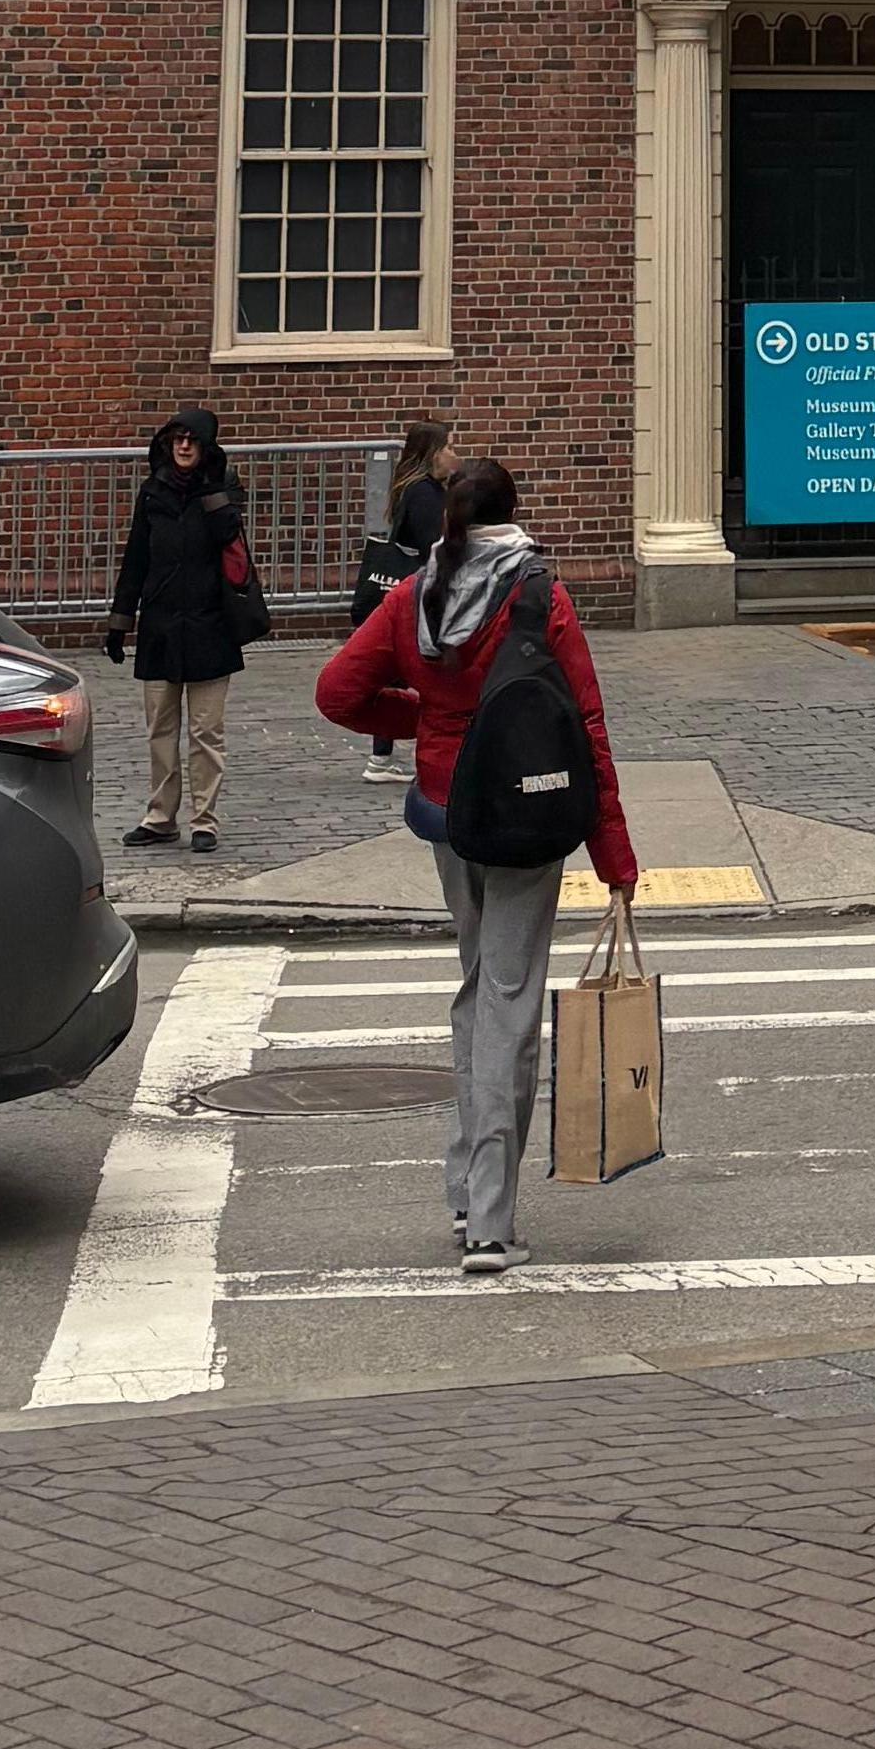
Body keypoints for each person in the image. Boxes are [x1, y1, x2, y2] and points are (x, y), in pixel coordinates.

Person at [314, 457, 638, 1278]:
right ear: (514, 512)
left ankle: (465, 1189)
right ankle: (491, 1220)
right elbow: (585, 725)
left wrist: (421, 717)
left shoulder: (413, 594)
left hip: (446, 815)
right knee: (509, 1002)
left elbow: (337, 693)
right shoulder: (539, 595)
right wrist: (614, 855)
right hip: (527, 814)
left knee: (474, 986)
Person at [106, 407, 262, 853]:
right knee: (160, 727)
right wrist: (121, 620)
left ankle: (204, 820)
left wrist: (212, 489)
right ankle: (160, 817)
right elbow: (136, 557)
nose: (184, 446)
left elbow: (228, 536)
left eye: (193, 440)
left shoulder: (223, 490)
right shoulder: (153, 491)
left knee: (205, 731)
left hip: (211, 624)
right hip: (160, 624)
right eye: (177, 439)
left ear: (206, 446)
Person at [341, 413, 449, 766]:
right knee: (432, 675)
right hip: (422, 594)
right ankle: (420, 753)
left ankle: (382, 757)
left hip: (411, 594)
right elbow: (433, 545)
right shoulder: (424, 493)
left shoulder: (414, 487)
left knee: (400, 674)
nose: (454, 453)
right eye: (449, 446)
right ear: (432, 453)